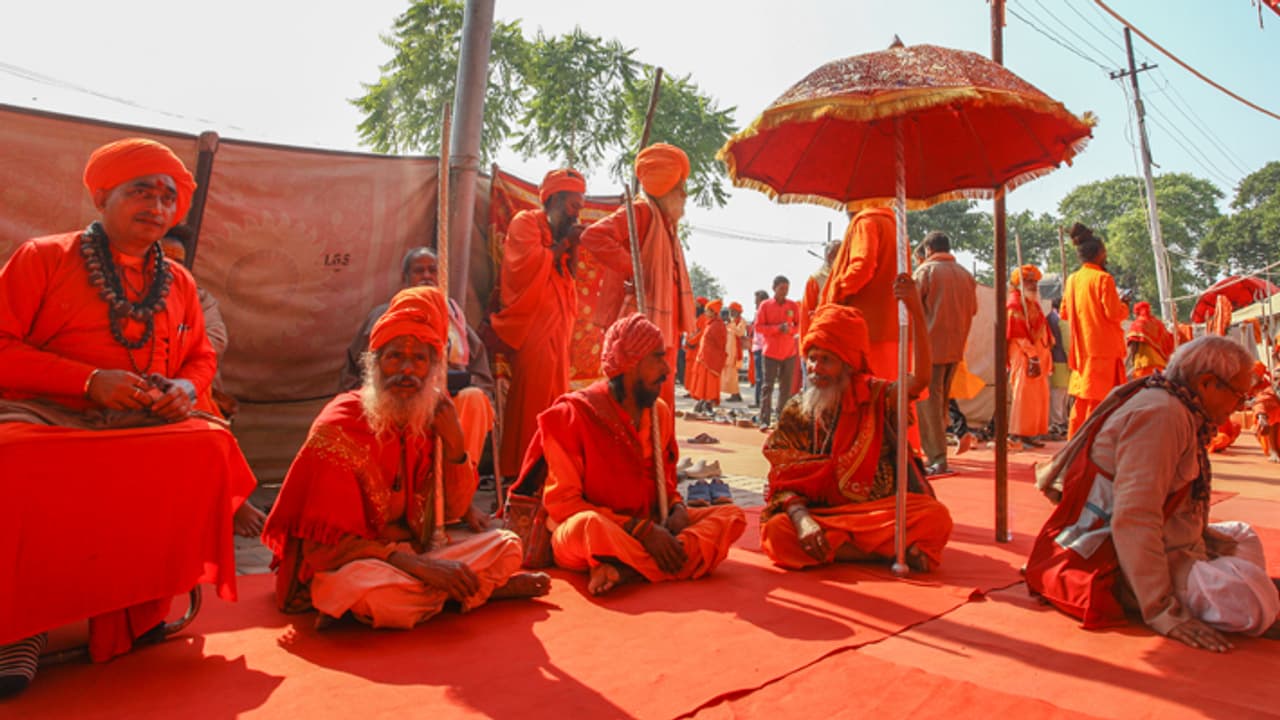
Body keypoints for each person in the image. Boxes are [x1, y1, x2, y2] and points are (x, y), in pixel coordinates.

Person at [0, 138, 256, 693]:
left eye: (168, 197)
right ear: (99, 196)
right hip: (46, 413)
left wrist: (186, 389)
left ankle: (138, 608)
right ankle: (15, 629)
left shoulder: (180, 282)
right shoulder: (43, 257)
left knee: (207, 444)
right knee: (12, 458)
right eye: (140, 191)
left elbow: (200, 355)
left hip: (142, 420)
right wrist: (89, 382)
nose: (158, 206)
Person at [261, 286, 550, 629]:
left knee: (507, 546)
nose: (407, 371)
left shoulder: (428, 417)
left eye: (419, 359)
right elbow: (323, 551)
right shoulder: (339, 425)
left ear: (432, 368)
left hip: (410, 555)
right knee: (370, 593)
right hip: (353, 565)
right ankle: (472, 590)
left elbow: (453, 511)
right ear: (374, 364)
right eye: (395, 357)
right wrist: (420, 568)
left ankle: (443, 593)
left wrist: (456, 443)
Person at [1029, 336, 1280, 650]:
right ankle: (1158, 593)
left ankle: (1220, 583)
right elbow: (1134, 517)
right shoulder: (1162, 415)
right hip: (1115, 558)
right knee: (1253, 602)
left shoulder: (1175, 403)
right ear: (1206, 383)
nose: (1238, 406)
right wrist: (1162, 611)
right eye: (1238, 396)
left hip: (1168, 538)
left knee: (1243, 536)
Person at [524, 314, 746, 595]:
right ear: (631, 366)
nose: (667, 369)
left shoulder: (659, 413)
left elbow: (665, 484)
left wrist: (676, 508)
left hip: (652, 523)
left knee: (731, 516)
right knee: (587, 527)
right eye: (657, 358)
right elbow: (562, 504)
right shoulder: (573, 415)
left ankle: (626, 570)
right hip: (600, 533)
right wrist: (640, 531)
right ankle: (657, 564)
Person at [760, 277, 953, 572]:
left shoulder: (875, 395)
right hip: (819, 515)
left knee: (935, 517)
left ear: (848, 366)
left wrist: (914, 310)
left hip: (875, 514)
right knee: (777, 531)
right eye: (812, 359)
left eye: (826, 360)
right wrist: (802, 519)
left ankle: (841, 548)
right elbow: (781, 476)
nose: (815, 369)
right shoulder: (796, 410)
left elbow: (921, 380)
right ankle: (881, 552)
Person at [341, 246, 495, 522]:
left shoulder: (455, 318)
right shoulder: (385, 316)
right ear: (405, 277)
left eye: (432, 270)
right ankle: (411, 508)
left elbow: (481, 371)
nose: (426, 275)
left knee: (474, 400)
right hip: (399, 401)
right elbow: (359, 368)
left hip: (449, 405)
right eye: (419, 270)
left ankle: (457, 499)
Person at [580, 143, 696, 410]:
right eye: (679, 185)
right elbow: (594, 236)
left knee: (659, 404)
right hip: (640, 331)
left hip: (664, 332)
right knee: (639, 402)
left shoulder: (667, 224)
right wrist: (635, 269)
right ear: (664, 186)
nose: (684, 193)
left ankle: (657, 452)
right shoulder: (642, 212)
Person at [489, 169, 585, 481]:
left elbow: (569, 273)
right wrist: (561, 246)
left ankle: (548, 469)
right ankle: (519, 472)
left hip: (559, 328)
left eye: (580, 206)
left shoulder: (562, 232)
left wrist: (573, 246)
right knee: (532, 400)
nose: (577, 213)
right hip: (533, 328)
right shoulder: (525, 222)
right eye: (572, 205)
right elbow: (522, 268)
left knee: (557, 399)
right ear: (554, 200)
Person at [912, 231, 977, 474]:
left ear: (928, 250)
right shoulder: (966, 275)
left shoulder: (925, 272)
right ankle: (939, 455)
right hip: (955, 349)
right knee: (940, 404)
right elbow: (973, 310)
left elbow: (910, 307)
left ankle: (937, 458)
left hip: (928, 349)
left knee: (928, 404)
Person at [1061, 222, 1128, 438]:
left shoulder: (1072, 280)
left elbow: (1064, 313)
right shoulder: (1103, 279)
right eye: (1105, 252)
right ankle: (1089, 449)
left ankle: (1074, 446)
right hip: (1102, 351)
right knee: (1098, 404)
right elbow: (1113, 313)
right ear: (1098, 254)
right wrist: (1124, 305)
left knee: (1082, 403)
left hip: (1081, 353)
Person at [821, 207, 901, 380]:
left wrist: (836, 294)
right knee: (888, 397)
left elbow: (862, 268)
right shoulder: (894, 226)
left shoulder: (866, 222)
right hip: (892, 329)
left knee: (864, 396)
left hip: (865, 331)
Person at [1007, 265, 1053, 448]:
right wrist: (1032, 356)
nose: (1033, 284)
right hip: (1024, 355)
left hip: (1037, 356)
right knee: (1023, 395)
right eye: (1028, 281)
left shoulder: (1031, 302)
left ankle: (1031, 433)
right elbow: (1017, 334)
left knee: (1036, 397)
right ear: (1019, 282)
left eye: (1035, 281)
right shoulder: (1015, 303)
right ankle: (1019, 434)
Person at [756, 275, 801, 428]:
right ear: (774, 288)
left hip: (789, 353)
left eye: (787, 289)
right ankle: (764, 420)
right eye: (782, 288)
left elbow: (799, 326)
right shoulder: (765, 305)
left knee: (786, 387)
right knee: (767, 386)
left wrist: (790, 330)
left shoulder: (793, 305)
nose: (784, 292)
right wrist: (777, 329)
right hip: (770, 353)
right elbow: (759, 327)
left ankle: (781, 419)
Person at [686, 299, 727, 414]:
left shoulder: (718, 325)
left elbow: (720, 344)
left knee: (709, 382)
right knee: (702, 381)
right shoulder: (710, 323)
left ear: (714, 312)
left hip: (711, 359)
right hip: (704, 357)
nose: (705, 313)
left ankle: (708, 401)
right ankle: (703, 400)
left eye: (707, 311)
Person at [799, 240, 840, 341]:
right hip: (822, 336)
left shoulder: (849, 274)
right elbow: (806, 314)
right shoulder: (816, 279)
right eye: (840, 253)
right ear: (829, 256)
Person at [1126, 301, 1175, 380]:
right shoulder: (1159, 324)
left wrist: (1129, 363)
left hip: (1143, 365)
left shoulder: (1138, 324)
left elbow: (1133, 346)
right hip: (1160, 366)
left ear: (1136, 312)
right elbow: (1169, 343)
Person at [1047, 298, 1070, 439]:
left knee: (1062, 392)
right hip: (1060, 359)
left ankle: (1061, 421)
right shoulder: (1057, 320)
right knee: (1059, 392)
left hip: (1058, 359)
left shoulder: (1051, 318)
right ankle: (1057, 422)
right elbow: (1066, 342)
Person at [1251, 364, 1280, 463]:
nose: (1279, 383)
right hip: (1271, 437)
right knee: (1274, 412)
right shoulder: (1270, 392)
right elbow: (1260, 403)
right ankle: (1274, 451)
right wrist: (1262, 417)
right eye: (1276, 379)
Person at [722, 302, 749, 402]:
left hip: (735, 352)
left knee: (732, 375)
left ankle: (735, 394)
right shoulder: (730, 322)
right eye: (730, 310)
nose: (731, 312)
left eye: (733, 310)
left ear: (738, 311)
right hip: (728, 351)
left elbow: (740, 333)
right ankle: (735, 394)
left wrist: (732, 324)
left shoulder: (741, 321)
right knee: (730, 375)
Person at [750, 289, 769, 407]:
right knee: (761, 377)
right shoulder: (758, 312)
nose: (754, 302)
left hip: (762, 347)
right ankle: (760, 401)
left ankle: (759, 402)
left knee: (760, 377)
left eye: (756, 300)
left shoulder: (761, 313)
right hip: (759, 347)